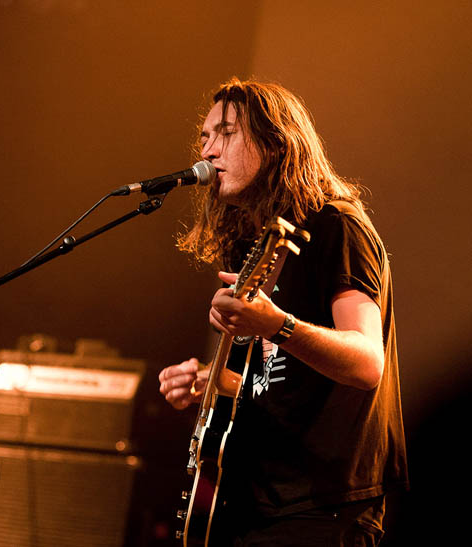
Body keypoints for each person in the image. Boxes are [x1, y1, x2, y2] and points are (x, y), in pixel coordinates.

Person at [158, 79, 408, 545]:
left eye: (226, 133)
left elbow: (366, 361)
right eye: (204, 137)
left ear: (276, 143)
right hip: (256, 501)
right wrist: (208, 380)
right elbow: (278, 380)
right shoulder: (258, 247)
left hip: (322, 506)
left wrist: (275, 323)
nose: (208, 151)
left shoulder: (336, 226)